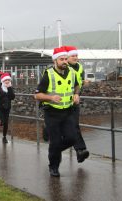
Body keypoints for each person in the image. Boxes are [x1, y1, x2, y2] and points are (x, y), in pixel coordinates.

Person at [34, 47, 80, 177]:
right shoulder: (48, 74)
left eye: (66, 59)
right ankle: (53, 167)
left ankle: (54, 150)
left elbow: (76, 86)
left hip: (68, 111)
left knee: (72, 138)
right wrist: (50, 97)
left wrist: (77, 94)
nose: (65, 61)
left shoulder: (71, 72)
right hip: (52, 113)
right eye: (62, 59)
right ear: (55, 60)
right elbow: (37, 96)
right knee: (55, 142)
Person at [64, 46, 90, 163]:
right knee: (62, 128)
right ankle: (48, 131)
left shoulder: (80, 67)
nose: (75, 58)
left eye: (76, 55)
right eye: (72, 56)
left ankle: (80, 150)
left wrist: (84, 83)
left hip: (75, 101)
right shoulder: (64, 67)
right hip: (62, 102)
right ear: (67, 57)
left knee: (74, 125)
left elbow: (78, 83)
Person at [0, 73, 15, 143]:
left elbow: (12, 97)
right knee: (3, 121)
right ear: (2, 81)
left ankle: (4, 137)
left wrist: (9, 88)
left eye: (8, 80)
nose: (7, 81)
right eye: (5, 80)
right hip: (0, 108)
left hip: (7, 108)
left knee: (6, 123)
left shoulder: (10, 88)